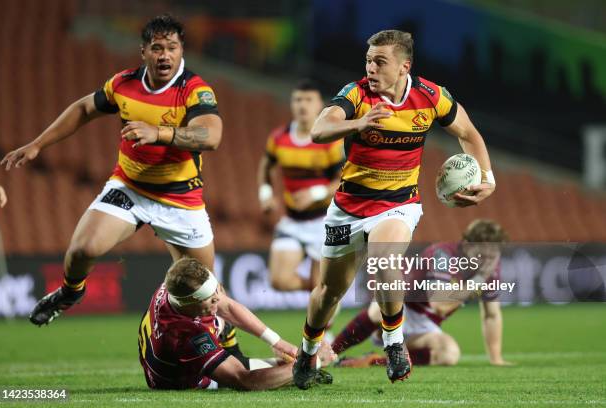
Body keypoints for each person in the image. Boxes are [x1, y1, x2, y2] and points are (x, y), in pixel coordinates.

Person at [292, 30, 496, 388]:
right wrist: (358, 123)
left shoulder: (431, 97)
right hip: (349, 207)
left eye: (380, 61)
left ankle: (394, 344)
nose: (371, 67)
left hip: (398, 203)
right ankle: (307, 353)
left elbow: (469, 133)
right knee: (328, 293)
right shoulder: (356, 94)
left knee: (386, 257)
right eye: (369, 60)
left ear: (404, 66)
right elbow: (320, 129)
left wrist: (488, 178)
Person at [1, 15, 223, 326]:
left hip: (180, 198)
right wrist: (39, 144)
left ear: (181, 51)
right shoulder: (123, 84)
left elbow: (211, 136)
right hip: (130, 188)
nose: (165, 55)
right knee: (83, 249)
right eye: (157, 48)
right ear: (143, 52)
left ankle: (229, 348)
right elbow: (83, 108)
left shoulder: (194, 89)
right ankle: (70, 292)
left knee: (208, 290)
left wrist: (158, 132)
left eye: (172, 48)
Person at [332, 219, 513, 367]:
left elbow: (492, 315)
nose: (487, 262)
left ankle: (373, 362)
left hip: (426, 325)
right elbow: (440, 305)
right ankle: (330, 352)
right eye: (483, 255)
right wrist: (477, 281)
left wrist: (495, 358)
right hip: (399, 308)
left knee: (449, 354)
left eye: (493, 256)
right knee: (379, 309)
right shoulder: (443, 255)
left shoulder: (490, 268)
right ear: (466, 245)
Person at [139, 257, 334, 390]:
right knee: (250, 373)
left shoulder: (175, 287)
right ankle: (298, 368)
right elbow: (244, 380)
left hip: (170, 359)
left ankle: (282, 367)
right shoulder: (188, 336)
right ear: (188, 302)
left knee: (222, 316)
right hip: (185, 380)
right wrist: (314, 361)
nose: (218, 297)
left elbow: (229, 308)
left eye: (215, 290)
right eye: (210, 297)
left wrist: (277, 341)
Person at [257, 79, 344, 293]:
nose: (302, 105)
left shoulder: (331, 141)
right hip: (293, 220)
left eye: (308, 100)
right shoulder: (279, 138)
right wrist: (266, 194)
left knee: (322, 289)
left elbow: (345, 180)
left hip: (327, 221)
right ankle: (321, 290)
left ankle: (324, 296)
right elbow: (265, 167)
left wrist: (315, 193)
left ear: (319, 105)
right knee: (279, 281)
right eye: (297, 100)